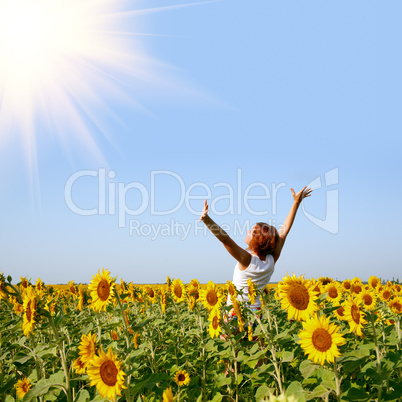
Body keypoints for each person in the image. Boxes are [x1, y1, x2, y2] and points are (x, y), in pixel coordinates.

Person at [199, 186, 312, 309]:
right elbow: (284, 232)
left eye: (252, 231)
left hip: (237, 313)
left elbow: (225, 239)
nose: (247, 231)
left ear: (258, 241)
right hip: (256, 313)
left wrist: (207, 220)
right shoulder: (271, 260)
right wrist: (296, 203)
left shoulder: (247, 260)